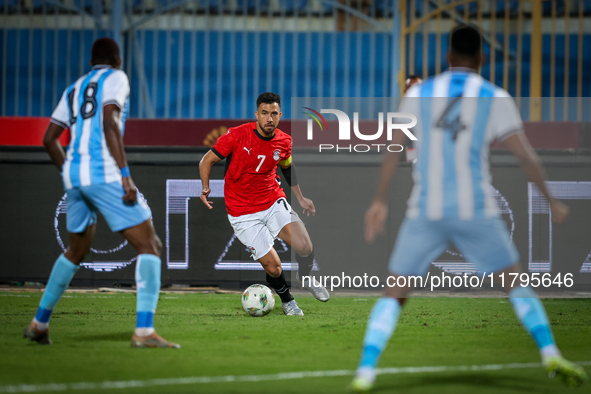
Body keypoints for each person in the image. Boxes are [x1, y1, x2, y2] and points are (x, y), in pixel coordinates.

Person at [351, 25, 587, 391]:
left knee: (395, 293)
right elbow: (526, 156)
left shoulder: (420, 93)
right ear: (482, 58)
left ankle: (365, 373)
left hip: (425, 209)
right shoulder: (495, 96)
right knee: (515, 284)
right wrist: (551, 200)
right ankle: (550, 352)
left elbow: (393, 149)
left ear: (447, 57)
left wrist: (379, 200)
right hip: (475, 208)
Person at [23, 38, 179, 349]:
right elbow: (110, 121)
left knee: (75, 251)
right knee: (150, 245)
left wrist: (69, 172)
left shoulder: (75, 87)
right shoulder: (117, 78)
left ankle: (39, 323)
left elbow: (49, 138)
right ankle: (144, 332)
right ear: (118, 60)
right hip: (104, 173)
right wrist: (125, 176)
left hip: (74, 177)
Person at [199, 92, 330, 316]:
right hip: (242, 212)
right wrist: (205, 187)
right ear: (257, 115)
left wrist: (300, 198)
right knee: (274, 266)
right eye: (264, 114)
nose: (269, 118)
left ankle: (306, 277)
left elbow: (287, 168)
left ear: (280, 115)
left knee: (304, 245)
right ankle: (288, 300)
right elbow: (206, 160)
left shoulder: (284, 141)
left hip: (272, 201)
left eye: (274, 114)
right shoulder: (237, 135)